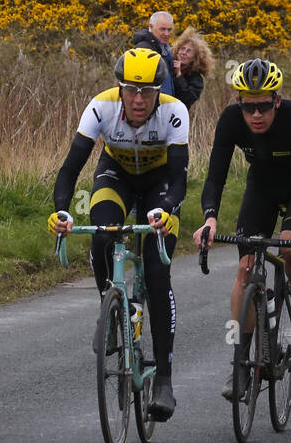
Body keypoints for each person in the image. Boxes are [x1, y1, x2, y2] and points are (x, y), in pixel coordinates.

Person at [47, 48, 190, 420]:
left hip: (160, 185)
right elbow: (70, 169)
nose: (139, 99)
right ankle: (110, 310)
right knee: (102, 234)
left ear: (159, 90)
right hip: (116, 176)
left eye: (147, 91)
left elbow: (179, 179)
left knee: (157, 274)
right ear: (120, 88)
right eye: (131, 90)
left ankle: (164, 380)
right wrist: (62, 210)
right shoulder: (101, 107)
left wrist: (166, 208)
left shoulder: (175, 111)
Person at [195, 58, 291, 398]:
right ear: (239, 102)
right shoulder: (230, 120)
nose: (255, 114)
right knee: (245, 269)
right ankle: (240, 362)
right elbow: (216, 176)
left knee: (288, 247)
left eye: (263, 106)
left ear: (277, 101)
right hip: (262, 190)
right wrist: (209, 218)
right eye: (248, 106)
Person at [168, 27, 213, 112]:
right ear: (177, 51)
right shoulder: (167, 66)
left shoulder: (197, 79)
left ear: (195, 58)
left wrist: (179, 75)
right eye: (182, 49)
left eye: (189, 51)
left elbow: (187, 98)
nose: (184, 53)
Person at [132, 11, 175, 93]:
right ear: (151, 27)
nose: (167, 34)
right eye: (162, 29)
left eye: (169, 30)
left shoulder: (165, 48)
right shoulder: (144, 49)